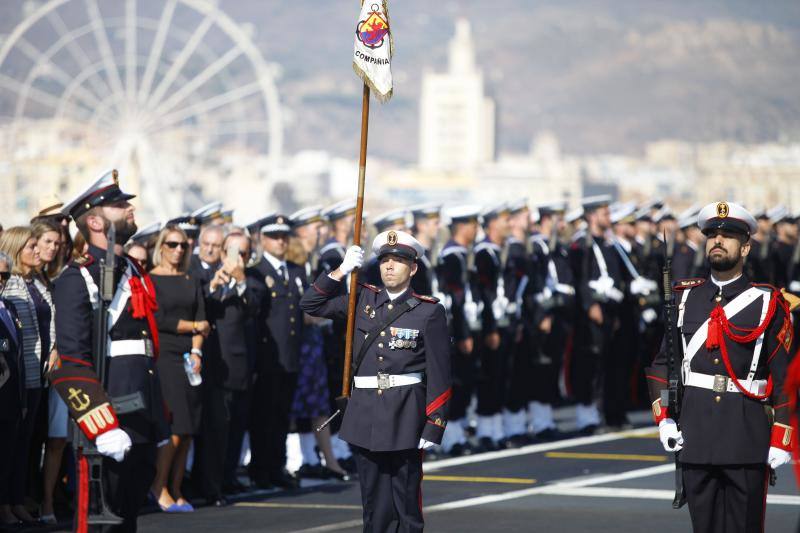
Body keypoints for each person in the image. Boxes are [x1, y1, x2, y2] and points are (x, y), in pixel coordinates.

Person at [646, 201, 794, 533]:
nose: (718, 241)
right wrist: (664, 418)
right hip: (696, 437)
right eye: (712, 234)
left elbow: (786, 378)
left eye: (728, 236)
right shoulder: (685, 299)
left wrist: (782, 437)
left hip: (746, 436)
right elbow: (662, 366)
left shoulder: (769, 303)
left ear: (745, 247)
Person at [301, 229, 452, 532]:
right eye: (384, 260)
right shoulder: (361, 299)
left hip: (405, 415)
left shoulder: (428, 311)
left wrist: (434, 422)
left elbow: (440, 371)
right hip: (365, 414)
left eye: (398, 260)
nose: (390, 266)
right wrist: (341, 271)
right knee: (375, 507)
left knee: (406, 505)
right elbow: (310, 305)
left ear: (413, 268)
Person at [47, 170, 169, 532]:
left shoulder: (132, 268)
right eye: (118, 204)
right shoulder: (77, 278)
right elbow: (70, 361)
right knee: (102, 519)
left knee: (129, 515)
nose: (129, 207)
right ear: (96, 221)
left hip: (140, 409)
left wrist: (157, 412)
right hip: (109, 415)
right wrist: (101, 425)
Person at [195, 230, 256, 505]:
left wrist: (241, 278)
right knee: (214, 429)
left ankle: (227, 478)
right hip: (211, 364)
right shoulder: (207, 277)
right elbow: (198, 309)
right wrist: (214, 287)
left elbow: (254, 308)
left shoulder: (250, 283)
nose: (237, 258)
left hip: (237, 365)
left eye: (242, 253)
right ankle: (210, 485)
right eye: (232, 252)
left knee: (234, 428)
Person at [288, 206, 350, 481]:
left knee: (318, 406)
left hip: (312, 345)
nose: (321, 233)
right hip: (299, 346)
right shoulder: (295, 267)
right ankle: (302, 458)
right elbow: (306, 312)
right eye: (315, 228)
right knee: (296, 406)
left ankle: (327, 459)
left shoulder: (309, 264)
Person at [149, 225, 207, 512]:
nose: (178, 250)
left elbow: (201, 316)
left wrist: (197, 349)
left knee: (188, 429)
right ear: (161, 246)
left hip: (189, 358)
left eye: (183, 245)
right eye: (172, 244)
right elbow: (160, 320)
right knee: (175, 427)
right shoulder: (151, 280)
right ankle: (159, 487)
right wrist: (195, 327)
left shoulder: (190, 278)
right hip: (165, 356)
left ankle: (176, 487)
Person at [0, 226, 55, 526]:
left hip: (38, 374)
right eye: (31, 246)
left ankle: (17, 499)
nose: (38, 251)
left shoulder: (36, 282)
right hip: (19, 374)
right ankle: (6, 502)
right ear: (16, 248)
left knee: (25, 442)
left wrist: (55, 348)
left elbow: (50, 318)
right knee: (11, 441)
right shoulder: (10, 285)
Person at [248, 214, 305, 490]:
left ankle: (277, 465)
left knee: (282, 415)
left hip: (290, 356)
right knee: (263, 416)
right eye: (274, 236)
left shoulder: (295, 271)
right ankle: (261, 467)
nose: (280, 241)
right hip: (267, 357)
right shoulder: (257, 271)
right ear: (262, 238)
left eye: (284, 236)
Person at [567, 195, 625, 434]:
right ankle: (586, 416)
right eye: (604, 213)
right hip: (590, 314)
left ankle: (604, 412)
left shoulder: (607, 243)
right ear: (591, 216)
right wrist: (590, 304)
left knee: (606, 364)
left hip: (609, 310)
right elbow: (579, 277)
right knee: (588, 364)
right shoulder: (583, 243)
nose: (608, 218)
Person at [31, 218, 69, 525]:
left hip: (57, 369)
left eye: (57, 243)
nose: (52, 248)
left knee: (57, 438)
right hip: (32, 369)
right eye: (47, 242)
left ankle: (47, 501)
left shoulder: (57, 277)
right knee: (30, 438)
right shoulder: (23, 278)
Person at [526, 202, 575, 440]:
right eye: (559, 219)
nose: (564, 225)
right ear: (547, 220)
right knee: (540, 371)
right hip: (544, 317)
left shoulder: (556, 247)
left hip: (559, 315)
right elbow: (536, 286)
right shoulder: (538, 246)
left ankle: (545, 420)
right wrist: (541, 316)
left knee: (551, 369)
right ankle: (539, 422)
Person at [436, 206, 480, 456]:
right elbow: (456, 299)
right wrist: (463, 333)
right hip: (455, 330)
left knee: (466, 382)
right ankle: (451, 435)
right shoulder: (452, 257)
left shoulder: (462, 255)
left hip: (467, 326)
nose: (476, 230)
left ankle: (460, 431)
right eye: (472, 225)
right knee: (454, 383)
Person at [473, 204, 511, 451]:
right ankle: (486, 430)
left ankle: (497, 429)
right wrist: (491, 328)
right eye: (504, 220)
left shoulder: (498, 251)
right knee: (488, 377)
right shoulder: (484, 253)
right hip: (491, 326)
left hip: (503, 322)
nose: (508, 224)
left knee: (500, 377)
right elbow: (485, 294)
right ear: (492, 224)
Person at [0, 252, 25, 528]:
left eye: (6, 275)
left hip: (11, 396)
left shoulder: (9, 307)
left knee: (7, 456)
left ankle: (7, 505)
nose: (1, 281)